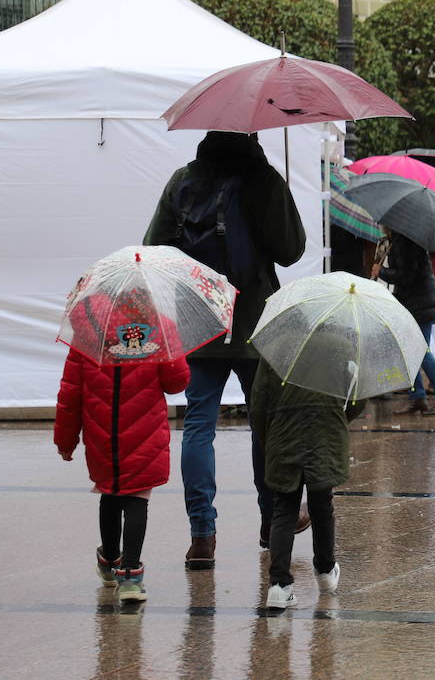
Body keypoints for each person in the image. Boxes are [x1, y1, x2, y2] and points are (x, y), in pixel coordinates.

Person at [144, 131, 306, 569]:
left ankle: (202, 535)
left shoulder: (183, 180)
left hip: (200, 322)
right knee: (263, 425)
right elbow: (292, 251)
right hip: (255, 323)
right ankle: (273, 520)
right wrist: (276, 191)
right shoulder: (263, 180)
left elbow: (154, 251)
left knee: (198, 427)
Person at [54, 294, 191, 604]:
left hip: (101, 431)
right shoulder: (158, 326)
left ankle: (109, 561)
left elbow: (70, 391)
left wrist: (65, 440)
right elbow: (176, 382)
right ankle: (130, 576)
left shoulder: (86, 329)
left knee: (110, 491)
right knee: (137, 496)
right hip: (143, 429)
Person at [251, 349, 365, 610]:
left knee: (284, 507)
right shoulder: (342, 348)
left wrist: (269, 437)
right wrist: (337, 419)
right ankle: (325, 572)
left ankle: (279, 586)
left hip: (283, 433)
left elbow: (258, 402)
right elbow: (358, 398)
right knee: (322, 503)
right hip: (325, 433)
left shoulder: (276, 350)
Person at [375, 231, 435, 416]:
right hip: (415, 304)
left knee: (421, 352)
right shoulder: (399, 241)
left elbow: (407, 276)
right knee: (410, 353)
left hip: (421, 305)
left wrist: (382, 272)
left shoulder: (407, 242)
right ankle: (418, 397)